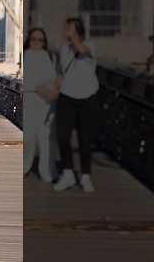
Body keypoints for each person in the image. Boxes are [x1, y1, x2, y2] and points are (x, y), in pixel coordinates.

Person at [53, 17, 100, 193]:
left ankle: (86, 176)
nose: (65, 30)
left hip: (87, 97)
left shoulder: (90, 45)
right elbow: (61, 70)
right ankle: (68, 173)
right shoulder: (64, 48)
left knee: (85, 139)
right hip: (66, 96)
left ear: (77, 30)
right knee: (62, 136)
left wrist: (73, 37)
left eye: (69, 28)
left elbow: (83, 50)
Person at [23, 28, 59, 182]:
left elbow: (54, 77)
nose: (37, 42)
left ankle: (45, 172)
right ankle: (25, 167)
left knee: (45, 138)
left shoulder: (49, 56)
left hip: (47, 102)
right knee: (29, 138)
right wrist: (39, 89)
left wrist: (52, 92)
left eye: (40, 40)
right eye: (34, 39)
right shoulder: (25, 56)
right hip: (31, 100)